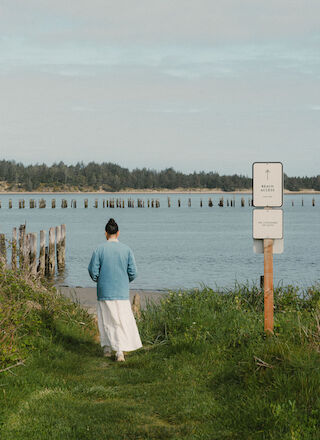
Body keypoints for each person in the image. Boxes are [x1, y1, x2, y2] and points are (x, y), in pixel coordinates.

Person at [88, 218, 142, 361]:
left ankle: (106, 348)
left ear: (106, 233)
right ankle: (119, 351)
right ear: (118, 233)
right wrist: (125, 280)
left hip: (104, 290)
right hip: (121, 291)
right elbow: (133, 272)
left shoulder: (99, 249)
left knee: (105, 319)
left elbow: (92, 271)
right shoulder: (126, 249)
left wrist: (99, 279)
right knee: (120, 320)